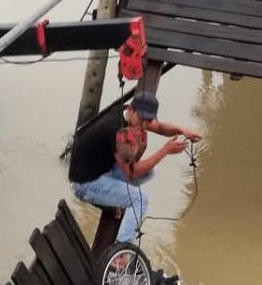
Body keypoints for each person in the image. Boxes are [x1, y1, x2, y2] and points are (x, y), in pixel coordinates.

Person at [69, 92, 202, 244]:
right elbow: (132, 172)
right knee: (140, 200)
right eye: (142, 119)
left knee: (148, 172)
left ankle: (116, 199)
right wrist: (164, 151)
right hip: (84, 184)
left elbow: (158, 127)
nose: (144, 125)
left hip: (102, 170)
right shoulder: (117, 131)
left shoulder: (129, 115)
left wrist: (181, 130)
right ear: (131, 109)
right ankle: (120, 252)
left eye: (148, 120)